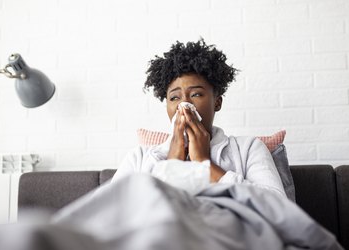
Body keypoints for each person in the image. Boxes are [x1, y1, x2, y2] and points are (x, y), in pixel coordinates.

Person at [112, 39, 286, 198]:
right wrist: (173, 162)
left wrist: (205, 164)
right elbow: (115, 216)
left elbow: (278, 207)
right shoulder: (139, 157)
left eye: (196, 94)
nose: (184, 104)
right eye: (174, 98)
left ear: (217, 102)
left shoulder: (248, 149)